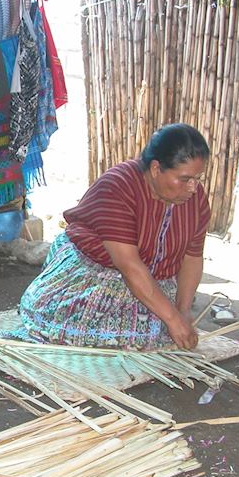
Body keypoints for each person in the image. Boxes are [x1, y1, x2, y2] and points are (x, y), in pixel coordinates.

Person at [19, 123, 211, 351]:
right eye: (184, 179)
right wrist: (172, 319)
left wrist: (183, 311)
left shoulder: (195, 199)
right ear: (156, 168)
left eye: (197, 178)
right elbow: (129, 265)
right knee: (88, 328)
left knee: (157, 330)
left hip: (150, 278)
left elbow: (192, 256)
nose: (192, 188)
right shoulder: (118, 186)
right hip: (95, 269)